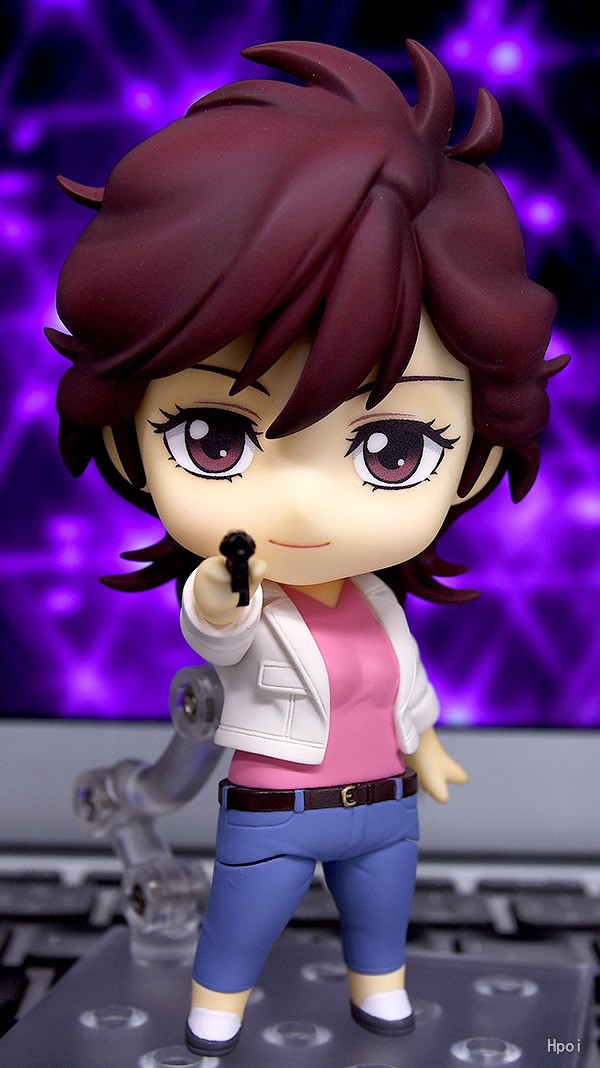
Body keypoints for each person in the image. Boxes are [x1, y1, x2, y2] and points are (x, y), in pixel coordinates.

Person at [47, 39, 566, 1056]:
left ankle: (380, 992)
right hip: (277, 809)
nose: (298, 499)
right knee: (243, 922)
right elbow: (220, 631)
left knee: (382, 915)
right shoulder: (241, 587)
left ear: (469, 461)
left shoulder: (374, 601)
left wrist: (427, 743)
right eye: (216, 438)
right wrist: (226, 593)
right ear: (126, 433)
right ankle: (215, 1013)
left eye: (391, 448)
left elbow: (401, 682)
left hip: (384, 807)